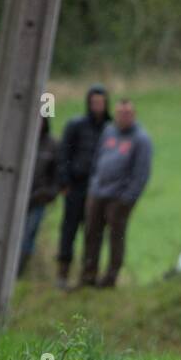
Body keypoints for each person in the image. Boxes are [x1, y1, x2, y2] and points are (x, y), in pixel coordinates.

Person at [80, 98, 153, 289]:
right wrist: (93, 184)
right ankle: (88, 275)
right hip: (98, 192)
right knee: (91, 233)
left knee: (115, 236)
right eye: (120, 113)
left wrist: (128, 198)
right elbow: (98, 159)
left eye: (127, 113)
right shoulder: (108, 131)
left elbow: (141, 173)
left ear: (134, 115)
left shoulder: (141, 139)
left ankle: (110, 278)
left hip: (119, 197)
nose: (123, 117)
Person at [56, 84, 111, 288]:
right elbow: (63, 154)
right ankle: (62, 274)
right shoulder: (76, 125)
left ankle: (87, 276)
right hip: (76, 186)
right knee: (69, 229)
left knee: (94, 232)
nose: (98, 106)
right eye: (94, 102)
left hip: (99, 188)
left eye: (101, 102)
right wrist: (64, 181)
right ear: (88, 103)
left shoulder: (110, 129)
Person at [18, 117, 60, 278]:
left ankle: (19, 271)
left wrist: (50, 193)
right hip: (17, 199)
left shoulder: (52, 145)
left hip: (38, 199)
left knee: (28, 235)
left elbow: (57, 173)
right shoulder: (21, 142)